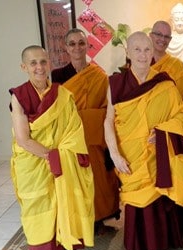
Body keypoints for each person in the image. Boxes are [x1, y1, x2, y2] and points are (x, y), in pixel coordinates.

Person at [104, 31, 183, 250]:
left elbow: (181, 115)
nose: (142, 55)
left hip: (156, 152)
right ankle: (139, 245)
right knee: (135, 199)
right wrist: (114, 153)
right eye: (137, 49)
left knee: (157, 198)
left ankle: (159, 243)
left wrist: (164, 131)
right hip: (128, 150)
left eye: (147, 50)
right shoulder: (115, 83)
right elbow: (108, 120)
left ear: (153, 52)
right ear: (128, 52)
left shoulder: (164, 83)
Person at [9, 45, 94, 250]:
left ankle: (68, 248)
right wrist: (52, 156)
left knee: (65, 203)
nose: (39, 67)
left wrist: (62, 155)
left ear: (50, 63)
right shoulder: (19, 96)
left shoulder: (63, 95)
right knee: (41, 208)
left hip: (61, 158)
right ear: (24, 67)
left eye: (43, 62)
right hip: (34, 162)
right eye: (33, 63)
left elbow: (74, 129)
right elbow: (23, 139)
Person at [51, 29, 120, 234]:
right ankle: (79, 221)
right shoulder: (58, 75)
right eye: (72, 44)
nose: (77, 48)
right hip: (70, 138)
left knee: (98, 179)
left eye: (81, 43)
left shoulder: (99, 75)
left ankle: (98, 220)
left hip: (94, 138)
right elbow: (56, 108)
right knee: (76, 180)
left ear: (88, 46)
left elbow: (106, 109)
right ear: (66, 47)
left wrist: (85, 117)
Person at [149, 20, 183, 113]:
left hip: (168, 117)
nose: (162, 39)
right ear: (151, 35)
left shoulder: (179, 67)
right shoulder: (140, 63)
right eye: (158, 34)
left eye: (166, 36)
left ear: (170, 40)